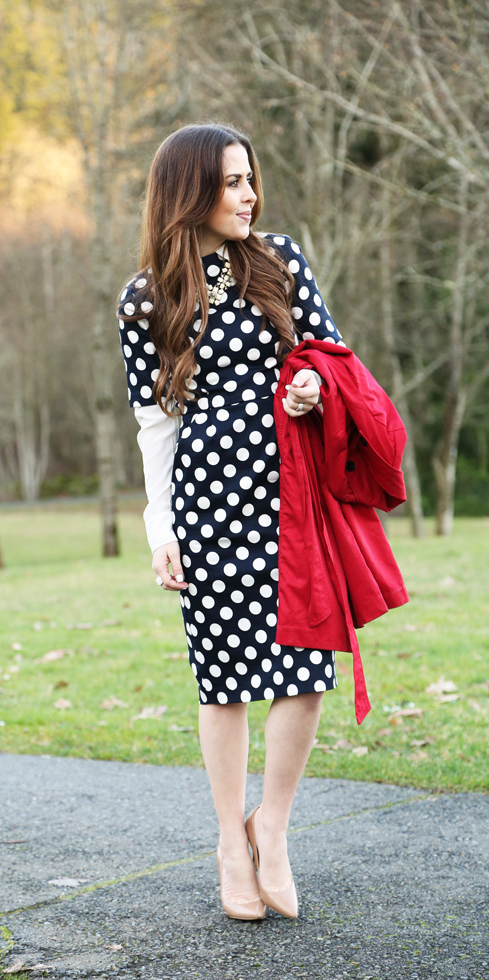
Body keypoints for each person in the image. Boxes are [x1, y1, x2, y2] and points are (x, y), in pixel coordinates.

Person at [117, 123, 404, 922]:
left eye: (252, 180)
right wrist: (159, 524)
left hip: (292, 488)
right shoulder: (146, 297)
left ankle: (270, 828)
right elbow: (155, 425)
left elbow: (327, 352)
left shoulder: (277, 258)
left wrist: (309, 385)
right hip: (206, 496)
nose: (250, 195)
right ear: (190, 191)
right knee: (224, 679)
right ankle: (226, 841)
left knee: (307, 663)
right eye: (233, 182)